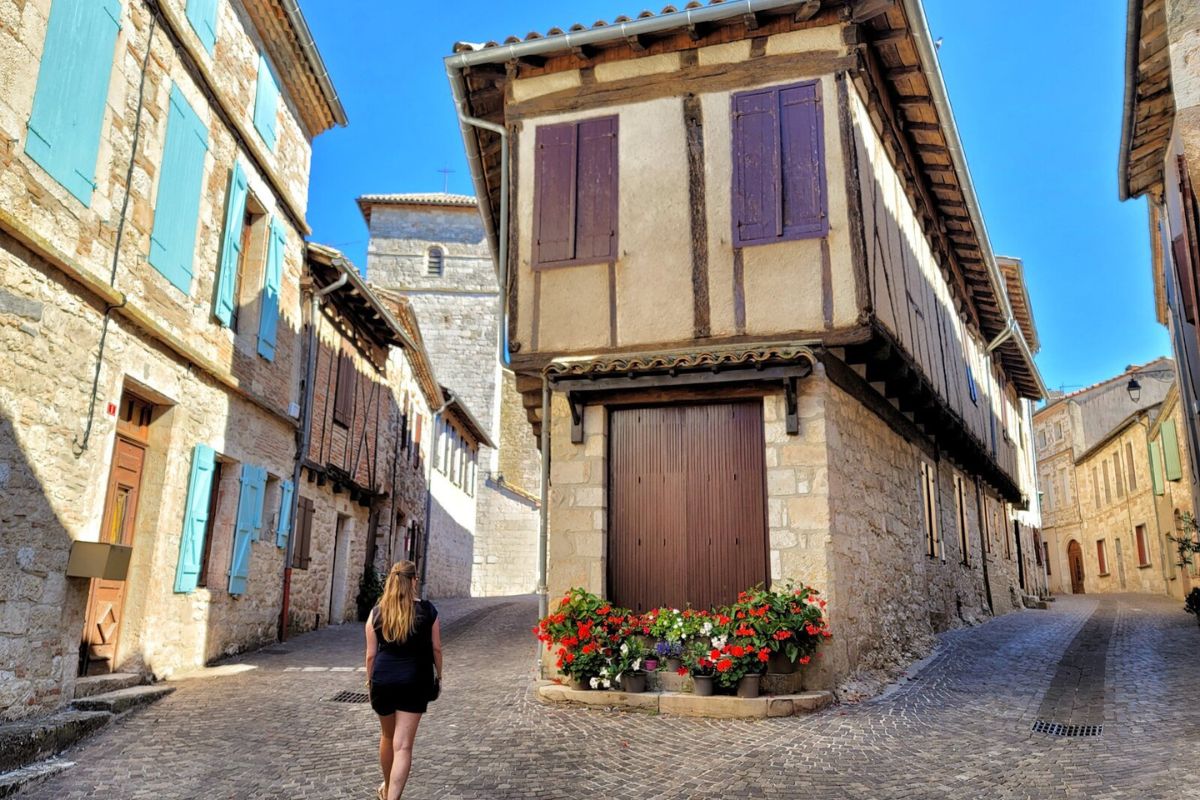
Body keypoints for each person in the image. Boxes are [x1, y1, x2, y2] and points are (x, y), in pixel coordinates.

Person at [365, 561, 442, 800]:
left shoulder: (376, 612)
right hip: (415, 681)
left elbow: (370, 655)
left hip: (383, 680)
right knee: (403, 745)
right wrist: (439, 675)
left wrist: (370, 682)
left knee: (388, 738)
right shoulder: (428, 611)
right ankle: (392, 797)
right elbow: (436, 649)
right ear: (414, 580)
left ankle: (388, 789)